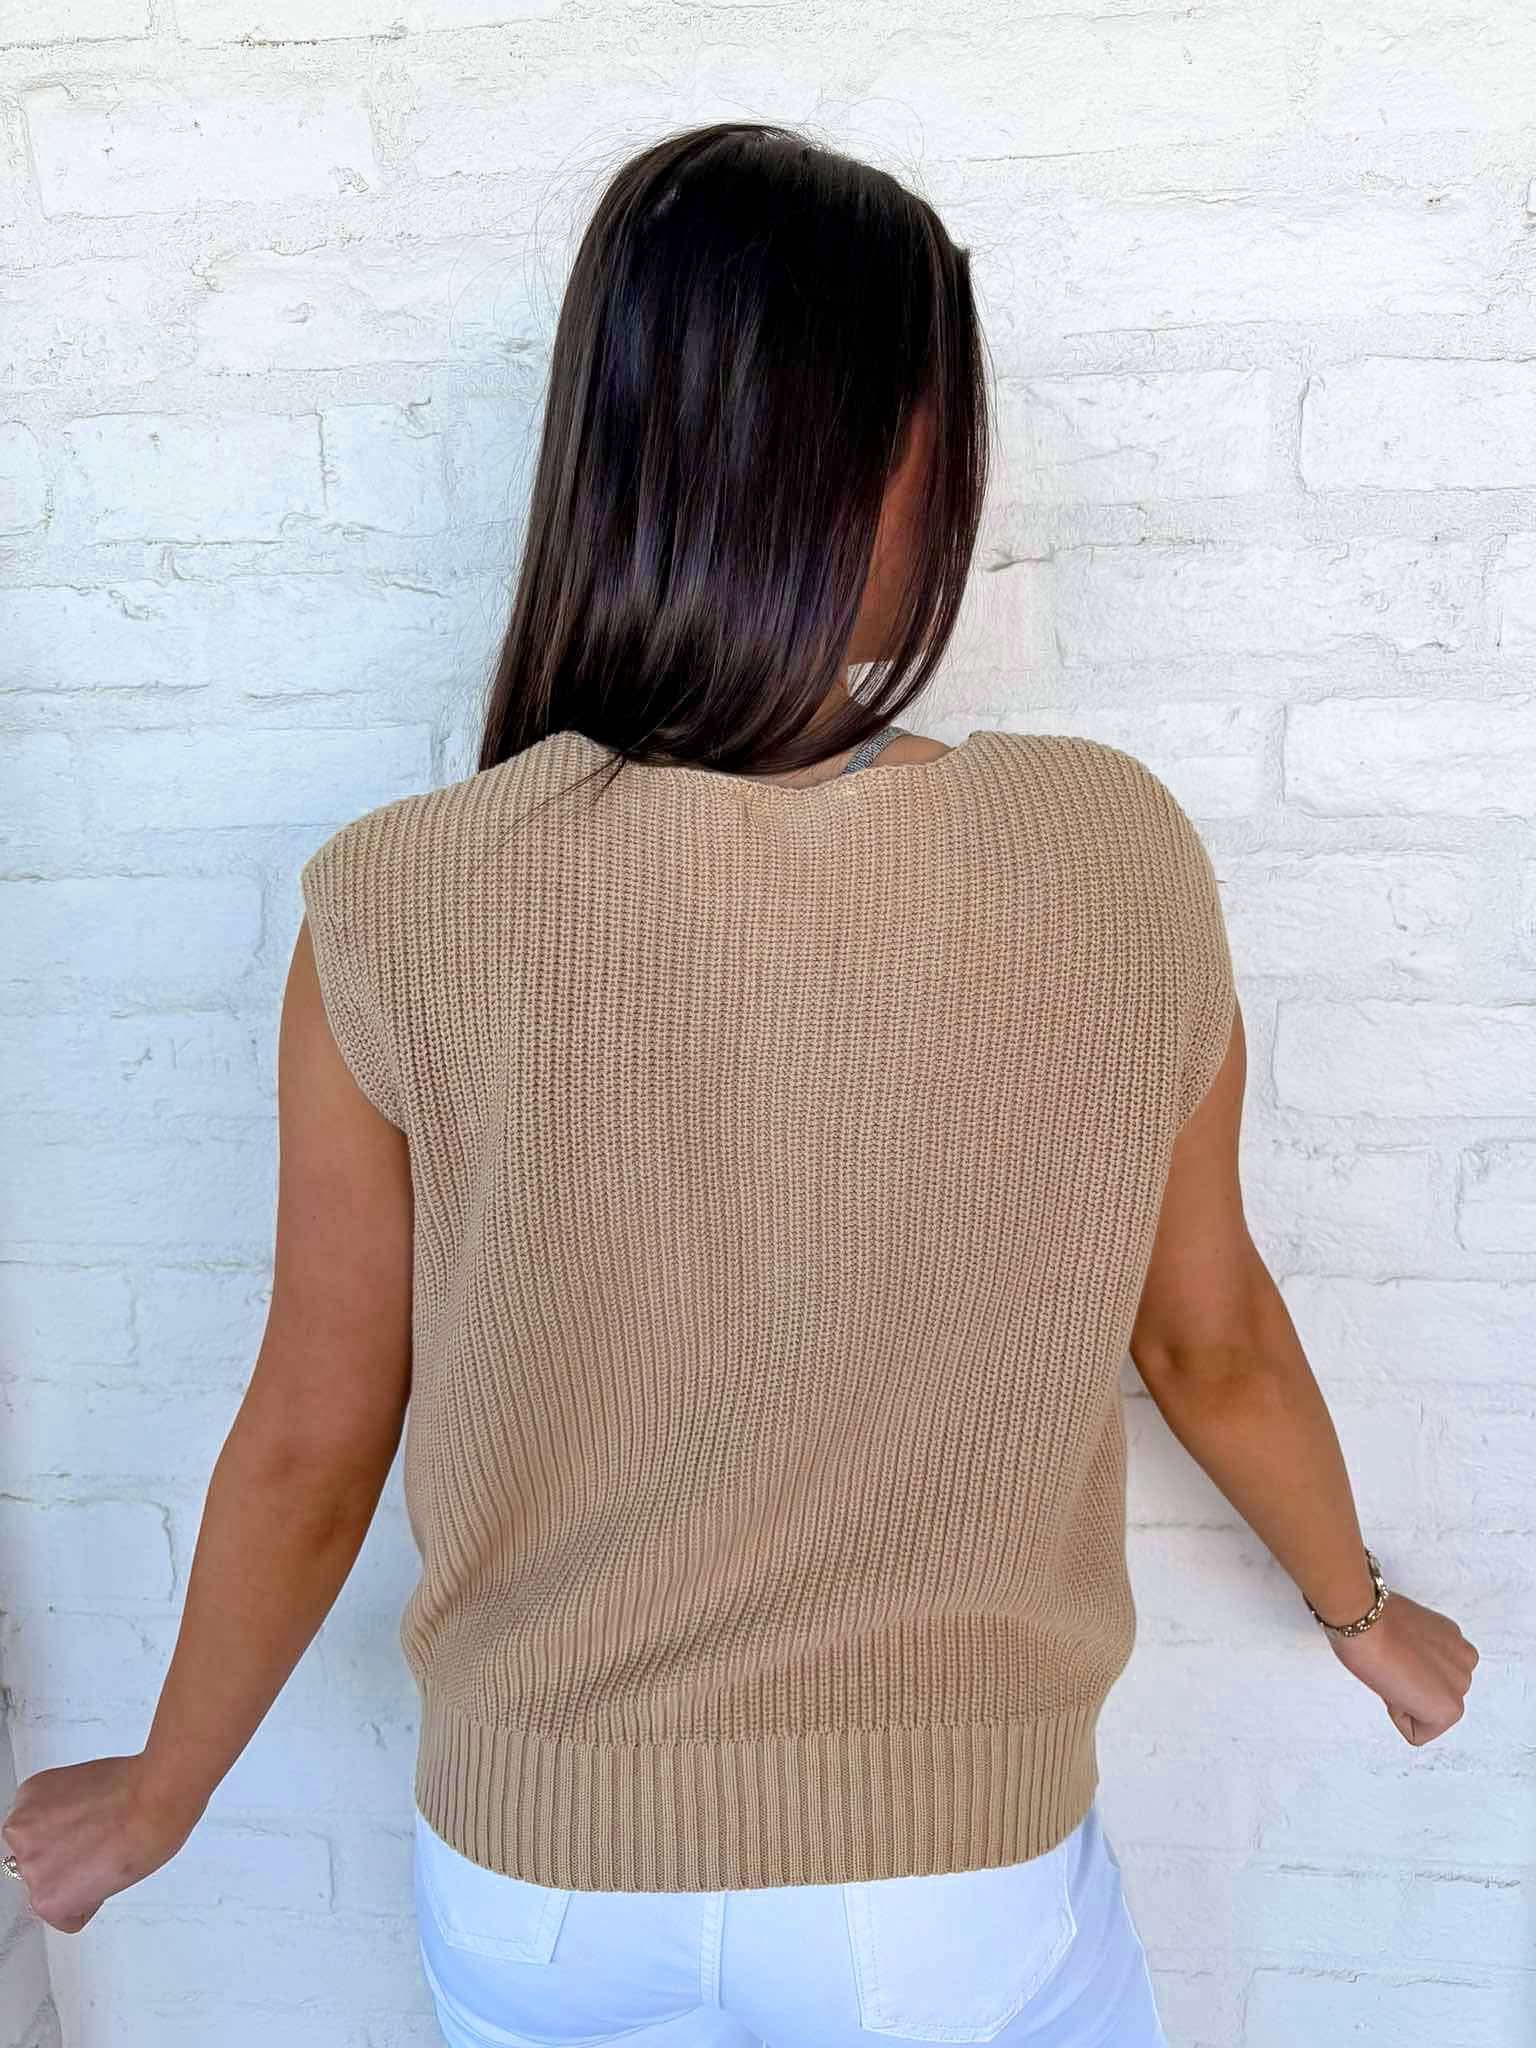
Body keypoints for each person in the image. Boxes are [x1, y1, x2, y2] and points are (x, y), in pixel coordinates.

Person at [3, 120, 1477, 2047]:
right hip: (945, 1885)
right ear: (894, 457)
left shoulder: (404, 895)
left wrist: (161, 1795)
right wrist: (1365, 1617)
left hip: (539, 1884)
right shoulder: (1108, 851)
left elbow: (312, 1436)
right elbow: (1212, 1343)